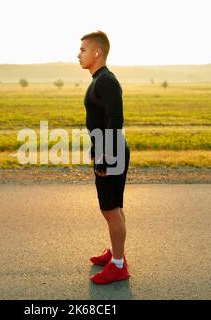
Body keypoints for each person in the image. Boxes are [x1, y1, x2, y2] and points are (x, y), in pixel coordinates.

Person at [77, 31, 130, 285]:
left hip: (111, 152)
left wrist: (105, 157)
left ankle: (118, 265)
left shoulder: (106, 81)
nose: (79, 54)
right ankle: (116, 252)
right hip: (109, 151)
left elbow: (115, 120)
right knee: (113, 207)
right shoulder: (99, 80)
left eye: (83, 50)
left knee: (109, 209)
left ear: (97, 52)